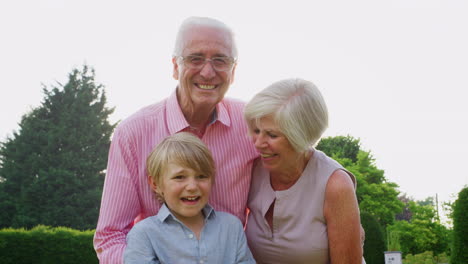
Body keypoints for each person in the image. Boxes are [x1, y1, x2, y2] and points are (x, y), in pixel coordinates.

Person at [94, 17, 258, 263]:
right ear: (174, 66)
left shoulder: (253, 125)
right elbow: (111, 236)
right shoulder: (132, 133)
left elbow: (297, 164)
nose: (208, 71)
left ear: (233, 71)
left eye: (220, 60)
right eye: (195, 58)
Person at [244, 78, 365, 264]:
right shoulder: (251, 169)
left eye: (272, 135)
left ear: (301, 136)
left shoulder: (335, 185)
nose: (259, 143)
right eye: (256, 130)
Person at [123, 132, 255, 263]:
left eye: (201, 176)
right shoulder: (144, 235)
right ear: (155, 184)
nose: (192, 186)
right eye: (179, 177)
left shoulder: (231, 227)